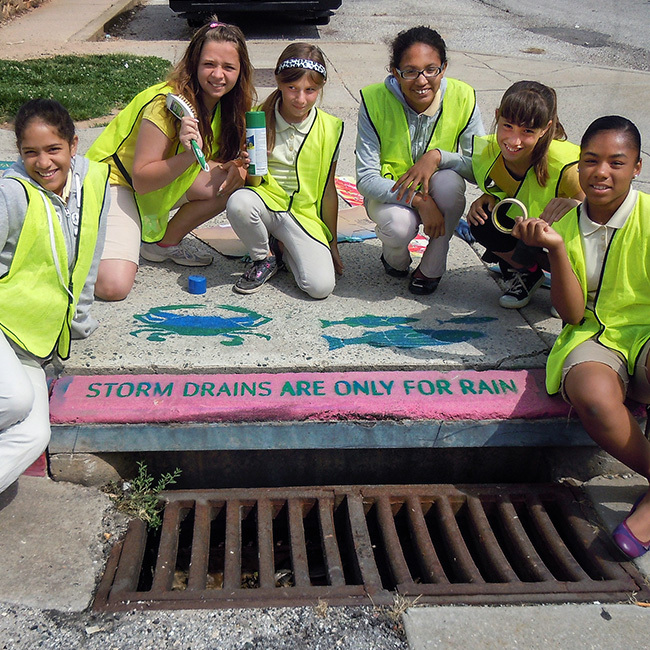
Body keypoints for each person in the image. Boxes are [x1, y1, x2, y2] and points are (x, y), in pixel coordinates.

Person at [513, 116, 650, 558]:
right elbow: (571, 315)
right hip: (592, 335)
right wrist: (553, 249)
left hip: (645, 333)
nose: (601, 172)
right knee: (591, 395)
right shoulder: (566, 223)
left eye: (617, 162)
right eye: (590, 160)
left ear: (637, 167)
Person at [87, 19, 255, 301]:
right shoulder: (165, 105)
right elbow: (141, 179)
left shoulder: (230, 104)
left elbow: (227, 160)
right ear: (193, 64)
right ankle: (76, 243)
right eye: (209, 64)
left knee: (232, 181)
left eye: (229, 67)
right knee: (113, 287)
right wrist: (190, 156)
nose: (218, 75)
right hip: (115, 183)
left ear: (241, 71)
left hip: (156, 184)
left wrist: (239, 167)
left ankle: (162, 245)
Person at [0, 98, 109, 494]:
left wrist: (77, 319)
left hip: (30, 343)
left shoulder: (95, 182)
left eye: (52, 149)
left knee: (33, 436)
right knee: (12, 399)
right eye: (30, 152)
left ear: (74, 145)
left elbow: (89, 256)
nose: (43, 162)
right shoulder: (11, 194)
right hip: (1, 325)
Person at [355, 25, 484, 295]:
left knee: (450, 185)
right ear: (395, 72)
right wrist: (419, 200)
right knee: (399, 227)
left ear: (444, 68)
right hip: (389, 194)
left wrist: (437, 157)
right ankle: (395, 260)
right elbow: (366, 179)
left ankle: (432, 267)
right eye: (410, 71)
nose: (422, 80)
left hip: (438, 189)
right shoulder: (373, 100)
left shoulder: (464, 97)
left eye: (431, 69)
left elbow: (479, 168)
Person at [434, 80, 584, 308]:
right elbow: (516, 187)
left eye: (528, 131)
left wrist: (576, 204)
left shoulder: (568, 166)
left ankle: (574, 283)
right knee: (482, 217)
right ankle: (528, 273)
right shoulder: (491, 151)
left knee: (564, 310)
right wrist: (492, 196)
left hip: (568, 241)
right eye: (508, 126)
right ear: (497, 116)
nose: (514, 141)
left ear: (546, 128)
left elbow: (601, 220)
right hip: (529, 229)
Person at [226, 43, 343, 298]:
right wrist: (248, 165)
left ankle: (283, 248)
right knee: (239, 203)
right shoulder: (258, 117)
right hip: (266, 204)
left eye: (310, 90)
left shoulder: (331, 128)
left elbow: (328, 190)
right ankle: (263, 257)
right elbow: (253, 184)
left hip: (304, 216)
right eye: (292, 88)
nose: (300, 99)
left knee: (319, 287)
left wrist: (332, 243)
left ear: (320, 88)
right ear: (279, 82)